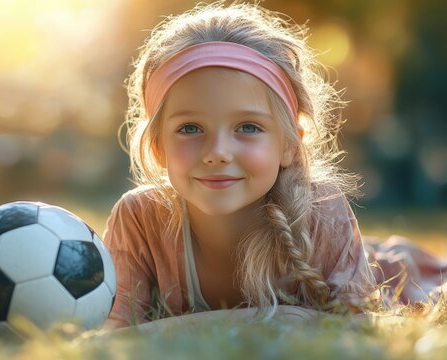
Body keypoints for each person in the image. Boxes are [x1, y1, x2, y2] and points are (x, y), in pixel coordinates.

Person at [101, 2, 447, 330]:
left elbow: (354, 325)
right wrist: (287, 316)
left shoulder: (320, 211)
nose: (217, 153)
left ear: (289, 144)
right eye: (190, 128)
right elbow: (113, 333)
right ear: (158, 145)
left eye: (248, 127)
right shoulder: (139, 220)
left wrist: (172, 328)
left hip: (387, 269)